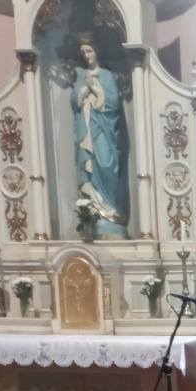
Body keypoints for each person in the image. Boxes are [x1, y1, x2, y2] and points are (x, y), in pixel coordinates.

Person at [70, 37, 129, 239]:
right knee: (90, 166)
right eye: (83, 53)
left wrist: (95, 89)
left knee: (107, 164)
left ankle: (111, 210)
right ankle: (93, 212)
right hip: (86, 130)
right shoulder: (81, 76)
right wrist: (84, 89)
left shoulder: (107, 75)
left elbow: (113, 103)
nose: (86, 56)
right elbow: (74, 101)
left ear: (97, 52)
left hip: (104, 130)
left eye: (89, 51)